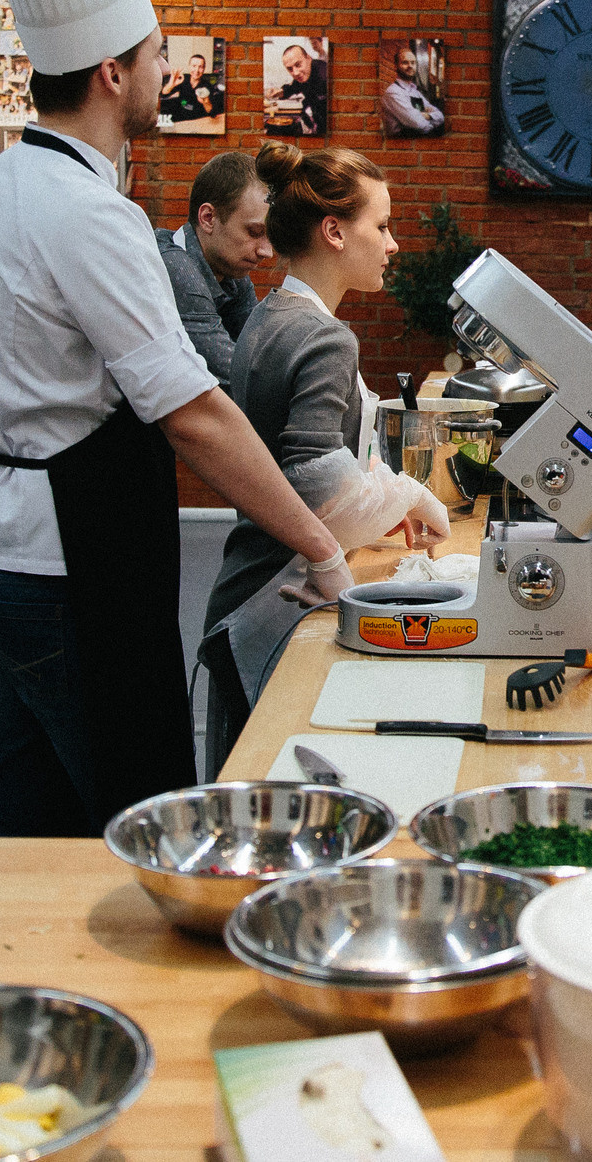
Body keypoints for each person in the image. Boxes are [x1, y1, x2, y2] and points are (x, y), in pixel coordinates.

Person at [0, 0, 351, 838]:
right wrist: (321, 543)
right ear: (113, 73)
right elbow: (192, 413)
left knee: (32, 816)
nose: (169, 73)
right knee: (144, 818)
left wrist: (28, 403)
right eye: (159, 56)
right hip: (65, 562)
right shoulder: (95, 213)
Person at [202, 141, 450, 764]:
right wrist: (415, 495)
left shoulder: (268, 315)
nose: (393, 244)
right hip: (279, 605)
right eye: (383, 225)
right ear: (335, 231)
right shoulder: (324, 336)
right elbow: (320, 487)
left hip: (246, 587)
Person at [161, 150, 271, 385]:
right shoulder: (176, 267)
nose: (266, 251)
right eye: (254, 232)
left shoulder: (230, 266)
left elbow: (260, 350)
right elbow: (236, 375)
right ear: (208, 218)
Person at [380, 42, 446, 136]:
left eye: (413, 63)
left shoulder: (415, 92)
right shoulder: (393, 92)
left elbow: (440, 116)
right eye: (405, 62)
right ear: (396, 66)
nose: (410, 66)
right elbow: (419, 125)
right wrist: (429, 119)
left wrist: (427, 115)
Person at [272, 40, 328, 137]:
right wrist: (279, 92)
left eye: (298, 65)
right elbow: (291, 88)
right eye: (290, 69)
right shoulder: (302, 76)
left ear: (308, 58)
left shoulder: (324, 74)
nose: (295, 73)